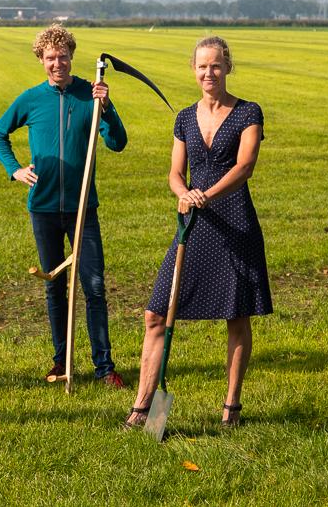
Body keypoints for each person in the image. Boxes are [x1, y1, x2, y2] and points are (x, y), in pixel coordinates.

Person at [123, 36, 271, 429]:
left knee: (236, 316)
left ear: (228, 68)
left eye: (217, 65)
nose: (209, 73)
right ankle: (143, 409)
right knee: (156, 314)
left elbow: (244, 166)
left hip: (235, 222)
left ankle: (231, 409)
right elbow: (174, 173)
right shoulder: (185, 118)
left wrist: (207, 193)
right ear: (193, 70)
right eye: (202, 66)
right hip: (193, 225)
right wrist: (184, 192)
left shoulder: (248, 113)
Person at [0, 24, 128, 387]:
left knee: (94, 285)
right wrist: (14, 169)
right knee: (55, 286)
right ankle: (61, 361)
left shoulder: (89, 94)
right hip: (44, 208)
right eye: (50, 58)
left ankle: (104, 367)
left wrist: (108, 108)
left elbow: (117, 143)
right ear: (41, 59)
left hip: (84, 209)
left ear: (71, 56)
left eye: (62, 56)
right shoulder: (31, 99)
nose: (57, 63)